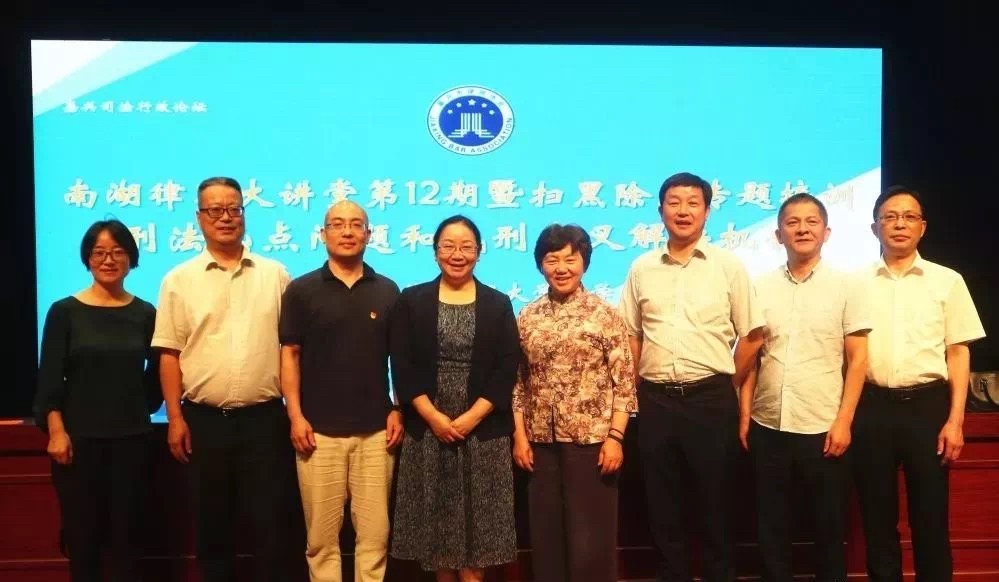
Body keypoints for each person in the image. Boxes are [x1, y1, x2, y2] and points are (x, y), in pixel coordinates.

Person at [618, 171, 765, 582]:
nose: (683, 211)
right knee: (663, 506)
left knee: (716, 505)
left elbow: (753, 335)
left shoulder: (727, 266)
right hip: (657, 400)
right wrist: (633, 389)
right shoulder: (642, 267)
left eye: (693, 203)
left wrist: (726, 384)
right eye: (674, 202)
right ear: (660, 210)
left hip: (711, 400)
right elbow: (631, 334)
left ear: (707, 211)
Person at [152, 176, 297, 582]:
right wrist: (175, 418)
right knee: (212, 527)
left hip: (265, 421)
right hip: (204, 422)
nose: (226, 217)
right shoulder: (179, 280)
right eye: (215, 210)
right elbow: (169, 354)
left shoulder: (275, 274)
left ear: (244, 215)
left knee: (271, 528)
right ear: (199, 218)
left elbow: (291, 349)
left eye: (234, 208)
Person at [852, 185, 986, 582]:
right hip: (871, 407)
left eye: (909, 217)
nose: (900, 224)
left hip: (927, 408)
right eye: (890, 217)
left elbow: (958, 352)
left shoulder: (947, 281)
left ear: (922, 227)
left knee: (930, 518)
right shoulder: (854, 284)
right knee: (877, 519)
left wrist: (956, 420)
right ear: (874, 227)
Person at [739, 193, 870, 582]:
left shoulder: (847, 286)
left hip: (823, 425)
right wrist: (745, 414)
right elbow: (752, 356)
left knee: (828, 528)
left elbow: (858, 360)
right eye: (792, 222)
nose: (802, 229)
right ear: (778, 235)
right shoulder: (759, 287)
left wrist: (844, 421)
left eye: (812, 222)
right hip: (768, 424)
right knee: (771, 526)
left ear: (826, 233)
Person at [389, 215, 520, 582]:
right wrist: (432, 417)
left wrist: (472, 417)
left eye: (466, 246)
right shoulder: (411, 300)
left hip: (483, 432)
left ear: (479, 252)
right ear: (435, 253)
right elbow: (402, 363)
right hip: (427, 429)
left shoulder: (498, 303)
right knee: (438, 537)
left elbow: (507, 366)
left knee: (481, 535)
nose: (457, 254)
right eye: (448, 246)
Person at [279, 200, 403, 582]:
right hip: (317, 434)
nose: (347, 232)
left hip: (376, 434)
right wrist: (295, 415)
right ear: (323, 234)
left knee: (375, 539)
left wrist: (397, 409)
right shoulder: (301, 290)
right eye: (337, 224)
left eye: (356, 225)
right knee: (321, 541)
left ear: (369, 234)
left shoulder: (388, 290)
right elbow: (290, 355)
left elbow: (400, 359)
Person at [34, 219, 161, 582]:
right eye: (99, 252)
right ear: (87, 259)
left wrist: (137, 408)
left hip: (131, 442)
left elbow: (155, 377)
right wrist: (56, 432)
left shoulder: (145, 313)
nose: (109, 260)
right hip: (78, 443)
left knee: (128, 539)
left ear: (131, 259)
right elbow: (49, 379)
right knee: (83, 538)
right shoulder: (64, 311)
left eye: (118, 252)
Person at [511, 223, 637, 582]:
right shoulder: (528, 316)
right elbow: (517, 382)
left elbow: (624, 381)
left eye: (570, 259)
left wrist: (616, 438)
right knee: (547, 539)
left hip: (592, 443)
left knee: (590, 541)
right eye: (552, 260)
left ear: (584, 263)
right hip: (540, 444)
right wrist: (519, 436)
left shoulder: (604, 314)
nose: (561, 268)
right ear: (541, 265)